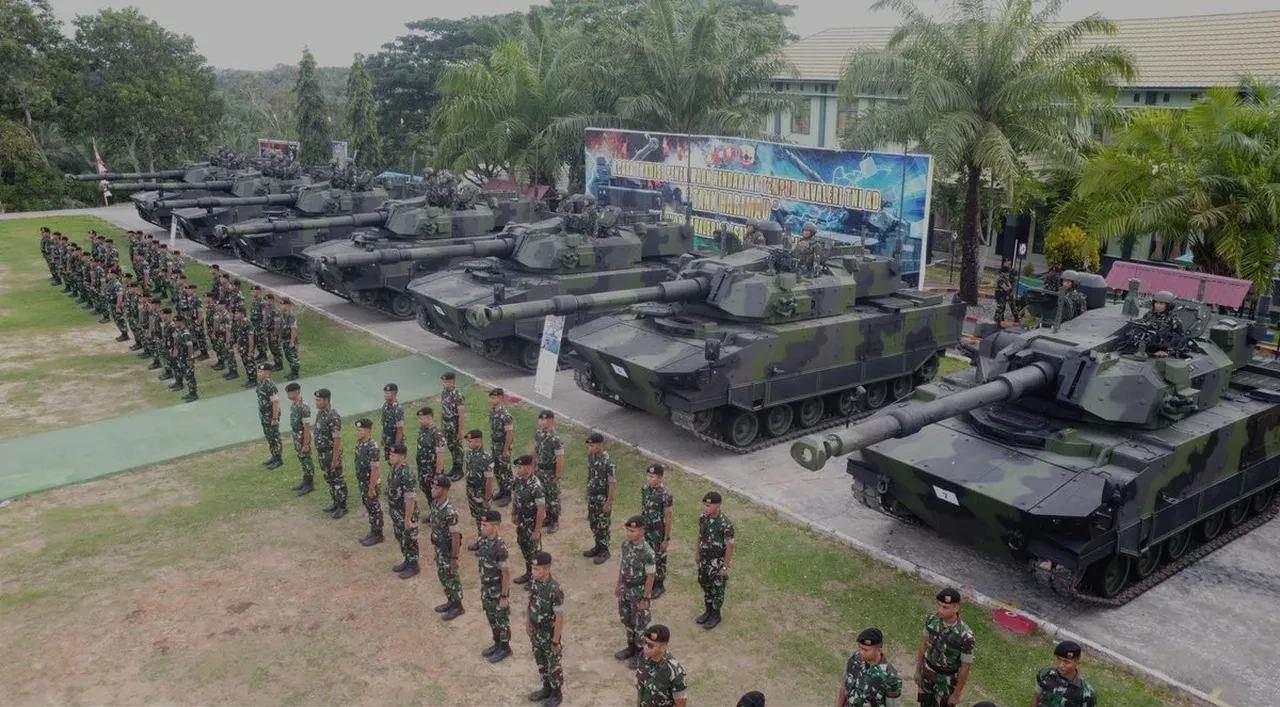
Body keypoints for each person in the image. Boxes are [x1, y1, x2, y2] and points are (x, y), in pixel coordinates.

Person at [914, 587, 975, 707]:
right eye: (939, 605)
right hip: (927, 673)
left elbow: (965, 667)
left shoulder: (965, 636)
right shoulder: (932, 620)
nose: (940, 610)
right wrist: (918, 670)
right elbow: (923, 644)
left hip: (946, 681)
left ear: (956, 608)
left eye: (945, 607)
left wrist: (956, 694)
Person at [616, 515, 657, 668]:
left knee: (640, 624)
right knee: (627, 619)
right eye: (628, 530)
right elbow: (623, 565)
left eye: (633, 531)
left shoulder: (648, 552)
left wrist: (645, 598)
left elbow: (650, 576)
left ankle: (640, 653)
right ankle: (630, 647)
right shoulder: (626, 545)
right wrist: (618, 584)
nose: (629, 534)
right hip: (626, 589)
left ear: (641, 531)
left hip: (639, 591)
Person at [526, 551, 565, 707]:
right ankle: (546, 688)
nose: (533, 572)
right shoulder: (534, 583)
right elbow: (530, 602)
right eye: (532, 569)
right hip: (536, 632)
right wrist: (528, 622)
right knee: (541, 661)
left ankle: (557, 694)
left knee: (553, 665)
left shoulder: (555, 590)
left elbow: (560, 618)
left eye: (536, 569)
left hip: (549, 634)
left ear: (546, 569)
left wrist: (555, 641)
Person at [475, 509, 513, 663]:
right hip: (486, 588)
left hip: (497, 591)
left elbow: (506, 574)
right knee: (491, 618)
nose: (481, 527)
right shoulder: (483, 541)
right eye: (481, 524)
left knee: (502, 620)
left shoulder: (500, 548)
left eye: (485, 525)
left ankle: (505, 647)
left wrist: (504, 596)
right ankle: (497, 643)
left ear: (495, 527)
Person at [428, 476, 465, 621]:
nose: (432, 490)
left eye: (436, 488)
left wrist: (455, 557)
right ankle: (450, 601)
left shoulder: (450, 512)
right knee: (443, 576)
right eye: (432, 487)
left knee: (452, 577)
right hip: (440, 549)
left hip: (448, 552)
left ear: (444, 490)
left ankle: (458, 606)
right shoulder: (436, 504)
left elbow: (456, 536)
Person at [696, 491, 735, 630]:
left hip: (717, 562)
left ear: (718, 506)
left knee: (717, 588)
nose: (705, 508)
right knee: (705, 583)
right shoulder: (703, 518)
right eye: (705, 505)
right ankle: (708, 611)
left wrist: (725, 567)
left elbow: (730, 547)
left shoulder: (726, 525)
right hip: (704, 560)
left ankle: (716, 615)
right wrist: (697, 554)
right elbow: (700, 537)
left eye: (708, 505)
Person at [839, 628, 903, 707]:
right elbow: (844, 687)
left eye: (866, 650)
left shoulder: (891, 677)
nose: (861, 652)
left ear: (879, 650)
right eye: (860, 648)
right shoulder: (854, 660)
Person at [510, 455, 546, 588]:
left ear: (529, 468)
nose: (517, 469)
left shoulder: (536, 486)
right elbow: (515, 496)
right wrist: (513, 512)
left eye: (520, 467)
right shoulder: (519, 480)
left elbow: (541, 510)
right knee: (524, 548)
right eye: (517, 467)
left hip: (532, 524)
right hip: (521, 522)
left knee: (534, 553)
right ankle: (529, 573)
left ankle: (537, 579)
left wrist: (537, 530)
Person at [314, 388, 349, 519]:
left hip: (330, 453)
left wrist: (335, 458)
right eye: (316, 400)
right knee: (329, 478)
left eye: (319, 400)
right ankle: (335, 501)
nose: (316, 402)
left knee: (337, 479)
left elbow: (337, 439)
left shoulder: (333, 417)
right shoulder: (320, 414)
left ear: (327, 401)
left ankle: (342, 505)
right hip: (322, 453)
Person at [583, 432, 617, 564]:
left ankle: (604, 550)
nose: (590, 448)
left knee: (603, 525)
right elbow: (590, 474)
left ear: (600, 445)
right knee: (594, 523)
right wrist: (587, 490)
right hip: (593, 497)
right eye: (589, 445)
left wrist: (609, 501)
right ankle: (597, 546)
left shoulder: (608, 463)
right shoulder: (591, 457)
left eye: (592, 445)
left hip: (602, 499)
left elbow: (612, 483)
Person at [641, 464, 674, 599]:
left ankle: (659, 585)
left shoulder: (665, 496)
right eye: (648, 476)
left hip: (658, 533)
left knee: (659, 558)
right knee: (647, 555)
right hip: (646, 531)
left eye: (652, 477)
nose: (649, 479)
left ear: (660, 478)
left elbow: (668, 517)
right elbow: (643, 509)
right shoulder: (644, 489)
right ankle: (649, 580)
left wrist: (666, 539)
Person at [386, 443, 419, 579]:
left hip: (406, 513)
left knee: (409, 539)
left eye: (393, 455)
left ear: (401, 456)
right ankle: (407, 560)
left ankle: (414, 565)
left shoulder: (407, 474)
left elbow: (410, 499)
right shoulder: (394, 469)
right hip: (396, 512)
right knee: (401, 537)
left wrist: (407, 519)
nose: (390, 457)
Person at [636, 624, 689, 707]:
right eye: (644, 642)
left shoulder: (675, 672)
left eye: (650, 645)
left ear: (663, 647)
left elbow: (681, 704)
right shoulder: (643, 657)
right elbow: (641, 688)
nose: (645, 647)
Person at [352, 419, 385, 547]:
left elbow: (375, 469)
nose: (357, 433)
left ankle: (378, 534)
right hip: (362, 482)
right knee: (368, 506)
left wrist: (372, 488)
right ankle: (373, 530)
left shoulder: (373, 447)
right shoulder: (360, 443)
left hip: (370, 482)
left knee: (374, 507)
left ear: (367, 431)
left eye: (359, 431)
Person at [1034, 641, 1096, 707]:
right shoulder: (1045, 674)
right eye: (1058, 659)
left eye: (1066, 662)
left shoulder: (1086, 694)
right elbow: (1036, 697)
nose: (1060, 665)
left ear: (1077, 663)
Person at [533, 410, 564, 534]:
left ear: (550, 421)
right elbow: (536, 449)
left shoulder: (555, 438)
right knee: (543, 495)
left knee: (553, 497)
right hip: (540, 470)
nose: (541, 422)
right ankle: (548, 518)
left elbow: (560, 458)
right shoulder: (539, 434)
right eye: (540, 419)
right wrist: (533, 465)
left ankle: (554, 521)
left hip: (550, 471)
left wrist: (557, 475)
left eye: (544, 419)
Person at [463, 430, 495, 549]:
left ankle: (487, 544)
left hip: (481, 494)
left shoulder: (486, 458)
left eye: (470, 441)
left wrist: (487, 498)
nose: (468, 443)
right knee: (477, 518)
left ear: (478, 442)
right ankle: (481, 539)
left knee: (485, 520)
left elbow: (489, 480)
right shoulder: (470, 454)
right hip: (471, 492)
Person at [285, 382, 316, 497]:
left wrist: (306, 444)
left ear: (297, 392)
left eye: (290, 392)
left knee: (306, 459)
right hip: (296, 435)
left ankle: (309, 483)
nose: (288, 395)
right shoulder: (294, 405)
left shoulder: (304, 407)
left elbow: (307, 427)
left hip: (303, 435)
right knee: (301, 459)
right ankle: (305, 480)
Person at [488, 388, 515, 507]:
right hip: (495, 445)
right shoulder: (492, 412)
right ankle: (502, 490)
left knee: (505, 470)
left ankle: (508, 494)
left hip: (503, 445)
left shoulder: (506, 416)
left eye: (493, 398)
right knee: (497, 469)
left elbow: (509, 434)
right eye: (491, 397)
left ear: (500, 398)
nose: (491, 400)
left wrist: (506, 450)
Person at [256, 364, 283, 469]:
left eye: (261, 372)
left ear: (267, 373)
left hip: (271, 416)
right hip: (264, 415)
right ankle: (274, 456)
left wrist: (275, 418)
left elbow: (275, 402)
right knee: (269, 436)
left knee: (274, 437)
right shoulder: (261, 383)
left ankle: (278, 459)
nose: (259, 374)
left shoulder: (270, 386)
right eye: (258, 371)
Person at [440, 372, 466, 480]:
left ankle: (459, 471)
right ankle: (454, 469)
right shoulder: (444, 393)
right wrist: (441, 426)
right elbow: (443, 410)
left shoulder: (458, 395)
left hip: (454, 424)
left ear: (452, 382)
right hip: (446, 425)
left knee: (457, 448)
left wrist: (460, 431)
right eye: (443, 382)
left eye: (446, 382)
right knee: (451, 447)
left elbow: (461, 415)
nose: (444, 384)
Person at [415, 406, 446, 493]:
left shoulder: (437, 435)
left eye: (421, 419)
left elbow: (440, 456)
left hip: (432, 472)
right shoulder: (422, 431)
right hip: (423, 471)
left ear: (429, 418)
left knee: (435, 495)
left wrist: (438, 474)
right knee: (427, 492)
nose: (419, 421)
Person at [172, 316, 198, 403]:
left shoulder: (185, 333)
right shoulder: (179, 332)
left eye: (177, 322)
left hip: (187, 358)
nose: (175, 323)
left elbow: (190, 346)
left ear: (181, 322)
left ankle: (194, 394)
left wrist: (190, 358)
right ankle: (191, 393)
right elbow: (176, 342)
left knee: (190, 377)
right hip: (181, 358)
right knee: (187, 376)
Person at [380, 383, 405, 462]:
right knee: (389, 461)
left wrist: (396, 445)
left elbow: (400, 428)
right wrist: (382, 438)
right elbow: (384, 424)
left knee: (396, 461)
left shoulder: (398, 409)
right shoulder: (385, 406)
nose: (385, 395)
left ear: (394, 394)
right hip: (387, 440)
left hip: (394, 440)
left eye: (387, 393)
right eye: (385, 393)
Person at [279, 298, 301, 380]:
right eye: (281, 305)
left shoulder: (291, 316)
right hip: (285, 340)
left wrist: (292, 342)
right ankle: (292, 372)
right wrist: (280, 337)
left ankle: (296, 373)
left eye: (283, 305)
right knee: (288, 356)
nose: (281, 306)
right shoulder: (283, 316)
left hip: (290, 340)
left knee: (293, 357)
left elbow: (294, 330)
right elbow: (281, 328)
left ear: (288, 306)